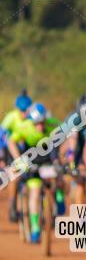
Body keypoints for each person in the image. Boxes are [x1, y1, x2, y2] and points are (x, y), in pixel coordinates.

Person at [6, 103, 60, 243]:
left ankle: (58, 200)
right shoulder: (24, 127)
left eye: (42, 123)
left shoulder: (53, 124)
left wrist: (62, 158)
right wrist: (19, 160)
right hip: (32, 162)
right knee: (35, 192)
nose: (40, 126)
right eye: (37, 123)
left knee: (60, 178)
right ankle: (35, 227)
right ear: (32, 121)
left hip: (48, 160)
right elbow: (11, 141)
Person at [2, 90, 32, 221]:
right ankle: (13, 206)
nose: (24, 113)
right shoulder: (11, 117)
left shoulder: (32, 116)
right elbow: (1, 135)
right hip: (10, 149)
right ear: (17, 109)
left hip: (28, 148)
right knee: (15, 176)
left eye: (26, 110)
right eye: (22, 110)